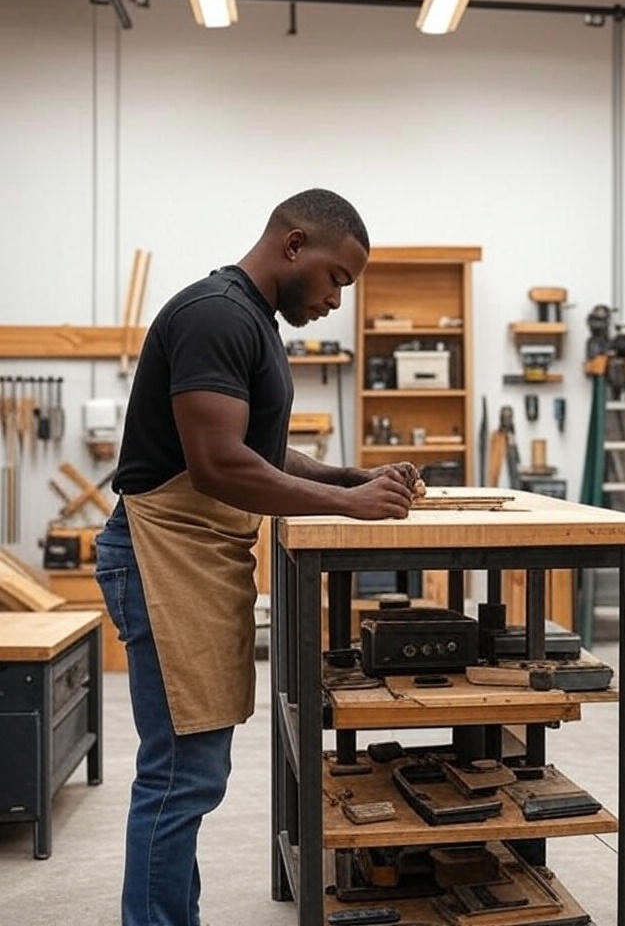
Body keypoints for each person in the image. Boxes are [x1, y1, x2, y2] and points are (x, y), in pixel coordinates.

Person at [95, 189, 417, 926]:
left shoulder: (252, 323)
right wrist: (347, 506)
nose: (336, 300)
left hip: (196, 555)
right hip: (163, 555)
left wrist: (348, 478)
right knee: (178, 777)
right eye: (336, 278)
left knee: (193, 773)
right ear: (295, 245)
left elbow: (258, 452)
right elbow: (217, 465)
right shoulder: (216, 316)